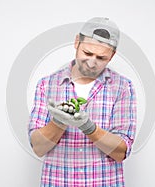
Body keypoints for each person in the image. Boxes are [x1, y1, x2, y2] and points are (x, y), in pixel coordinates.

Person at [28, 17, 137, 187]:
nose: (92, 63)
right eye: (87, 53)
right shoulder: (46, 85)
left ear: (112, 56)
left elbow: (121, 152)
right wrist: (59, 122)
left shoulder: (123, 87)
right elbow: (38, 148)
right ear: (77, 41)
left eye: (101, 58)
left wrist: (89, 128)